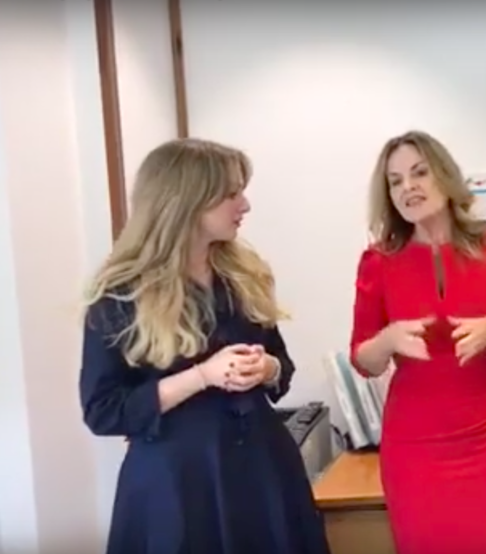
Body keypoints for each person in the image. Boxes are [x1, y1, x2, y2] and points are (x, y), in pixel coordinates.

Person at [78, 138, 330, 554]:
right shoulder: (118, 296)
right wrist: (201, 376)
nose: (245, 204)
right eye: (232, 193)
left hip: (264, 472)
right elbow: (103, 411)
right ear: (187, 200)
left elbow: (281, 366)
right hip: (177, 486)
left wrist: (267, 368)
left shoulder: (244, 276)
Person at [349, 130, 486, 554]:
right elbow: (363, 360)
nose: (409, 187)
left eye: (419, 173)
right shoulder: (378, 262)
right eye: (396, 180)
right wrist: (387, 339)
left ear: (445, 175)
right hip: (413, 445)